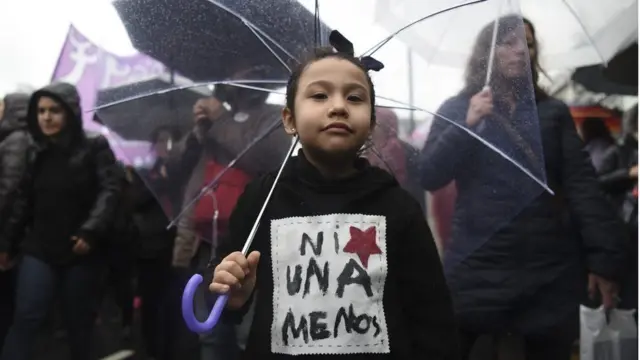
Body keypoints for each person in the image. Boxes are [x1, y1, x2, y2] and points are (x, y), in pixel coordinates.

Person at [209, 48, 458, 359]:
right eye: (319, 96)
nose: (339, 106)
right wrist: (233, 296)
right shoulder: (263, 198)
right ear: (289, 119)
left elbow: (432, 318)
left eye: (354, 98)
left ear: (370, 122)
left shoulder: (397, 206)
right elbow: (221, 288)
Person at [419, 15, 627, 359]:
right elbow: (429, 175)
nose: (521, 51)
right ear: (488, 52)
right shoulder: (458, 108)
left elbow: (582, 186)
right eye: (509, 42)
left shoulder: (552, 112)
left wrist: (604, 261)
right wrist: (467, 124)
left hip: (547, 270)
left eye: (528, 44)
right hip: (478, 264)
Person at [0, 82, 122, 360]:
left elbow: (110, 191)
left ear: (70, 111)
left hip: (80, 250)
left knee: (78, 322)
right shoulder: (34, 150)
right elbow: (23, 200)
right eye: (41, 110)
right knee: (27, 316)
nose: (46, 117)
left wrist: (91, 231)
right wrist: (7, 243)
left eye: (54, 110)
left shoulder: (94, 146)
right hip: (39, 248)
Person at [0, 92, 31, 347]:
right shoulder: (13, 139)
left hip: (6, 237)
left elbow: (9, 192)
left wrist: (5, 244)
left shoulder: (16, 140)